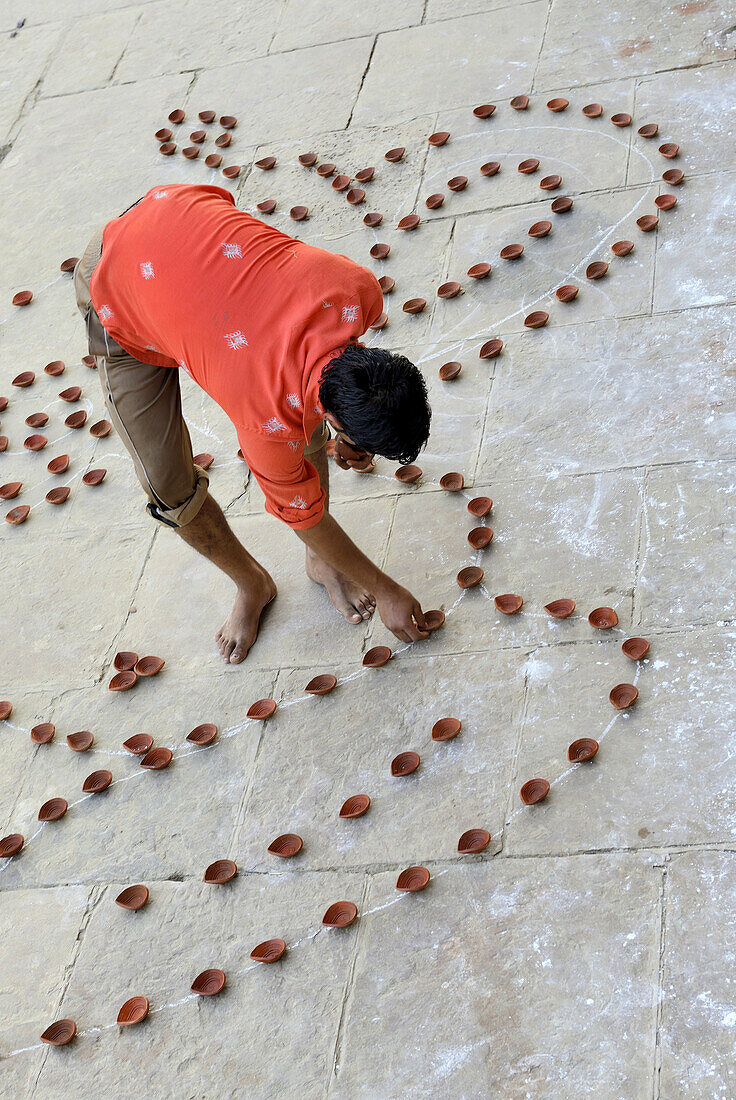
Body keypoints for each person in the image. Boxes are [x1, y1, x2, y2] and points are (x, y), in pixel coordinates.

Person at [74, 183, 432, 663]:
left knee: (295, 415)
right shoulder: (267, 418)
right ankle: (252, 584)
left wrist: (351, 436)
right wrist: (386, 590)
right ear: (334, 420)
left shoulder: (355, 290)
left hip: (182, 215)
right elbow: (302, 514)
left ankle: (323, 560)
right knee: (167, 486)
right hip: (118, 283)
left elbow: (319, 386)